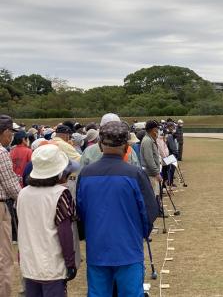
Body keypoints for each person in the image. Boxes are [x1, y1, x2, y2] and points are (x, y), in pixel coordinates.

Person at [77, 121, 158, 296]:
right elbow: (150, 211)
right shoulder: (135, 174)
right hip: (128, 248)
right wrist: (142, 233)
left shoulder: (85, 174)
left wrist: (87, 234)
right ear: (126, 146)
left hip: (97, 248)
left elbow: (80, 212)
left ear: (100, 144)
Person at [17, 144, 77, 297]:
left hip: (29, 263)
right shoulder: (60, 194)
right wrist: (70, 262)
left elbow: (22, 227)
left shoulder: (23, 194)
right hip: (52, 265)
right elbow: (65, 233)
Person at [0, 115, 21, 297]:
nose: (11, 137)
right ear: (5, 132)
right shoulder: (1, 152)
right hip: (0, 207)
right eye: (10, 133)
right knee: (4, 258)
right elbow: (11, 186)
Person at [140, 120, 162, 197]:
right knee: (153, 196)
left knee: (156, 195)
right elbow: (149, 159)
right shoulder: (147, 141)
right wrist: (156, 173)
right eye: (157, 128)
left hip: (152, 174)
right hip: (151, 174)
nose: (158, 130)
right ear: (153, 129)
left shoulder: (150, 139)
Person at [165, 122, 178, 187]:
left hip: (168, 154)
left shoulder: (167, 134)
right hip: (171, 154)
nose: (174, 128)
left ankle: (169, 182)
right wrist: (176, 153)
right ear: (169, 127)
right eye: (172, 126)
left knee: (170, 169)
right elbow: (172, 146)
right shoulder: (169, 135)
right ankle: (170, 182)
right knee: (171, 169)